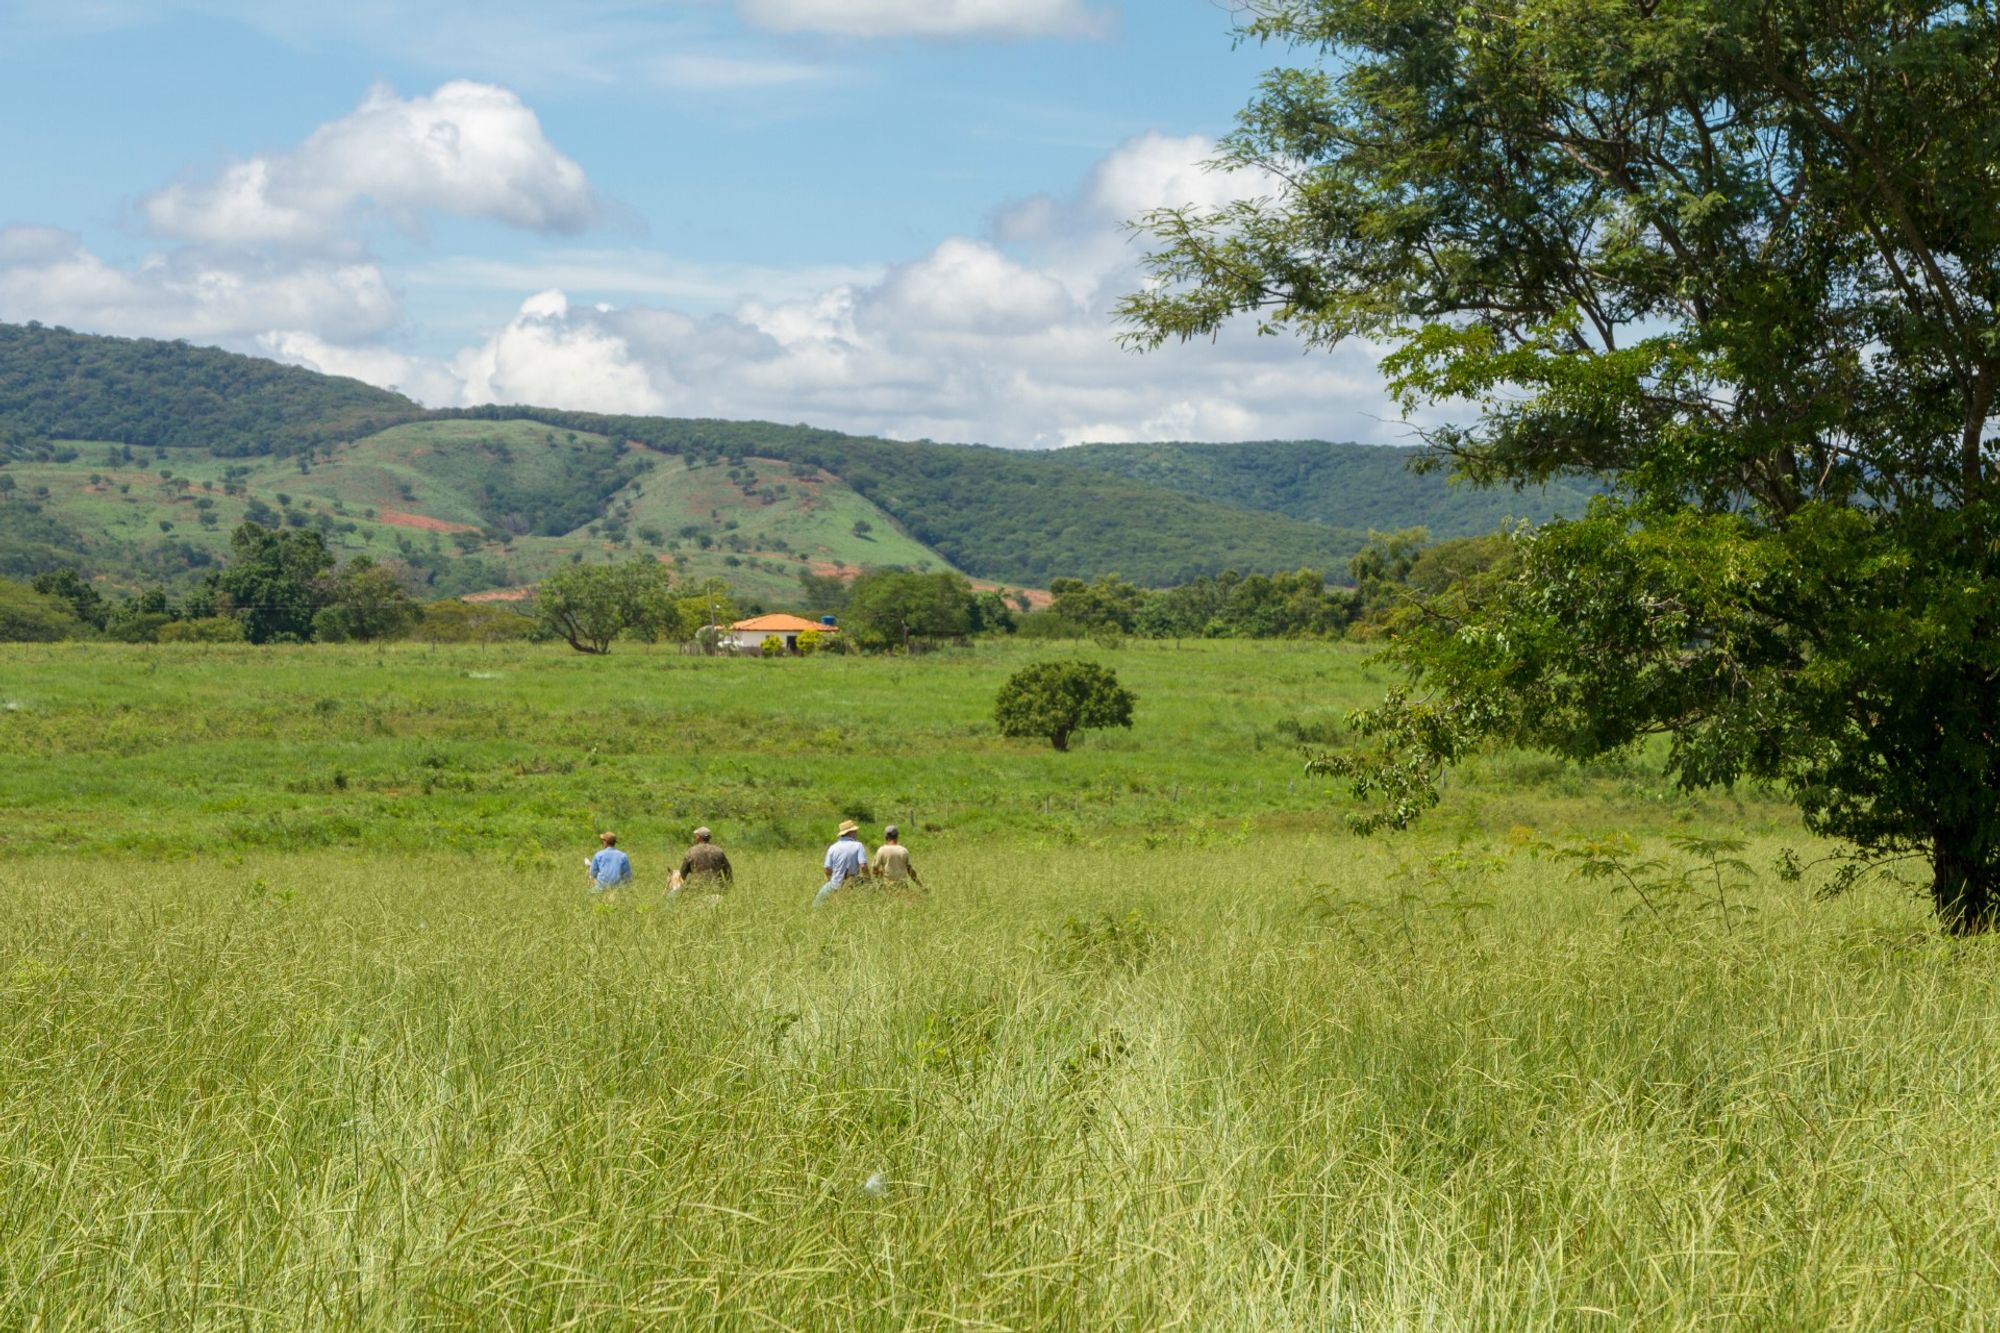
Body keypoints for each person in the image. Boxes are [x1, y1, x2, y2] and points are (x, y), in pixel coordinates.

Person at [813, 819, 868, 909]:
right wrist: (867, 880)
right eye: (855, 831)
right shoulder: (858, 845)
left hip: (835, 884)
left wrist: (831, 881)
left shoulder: (833, 847)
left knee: (817, 903)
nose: (856, 833)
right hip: (852, 883)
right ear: (851, 832)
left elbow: (827, 869)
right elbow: (863, 866)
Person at [670, 825, 733, 895]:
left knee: (671, 896)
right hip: (717, 890)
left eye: (696, 836)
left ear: (699, 837)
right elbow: (728, 871)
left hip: (696, 890)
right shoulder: (719, 851)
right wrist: (728, 887)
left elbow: (683, 873)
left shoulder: (691, 851)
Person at [870, 825, 924, 890]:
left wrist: (880, 874)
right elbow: (910, 871)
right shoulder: (904, 850)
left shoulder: (881, 850)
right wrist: (921, 886)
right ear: (897, 836)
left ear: (886, 837)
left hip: (887, 888)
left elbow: (874, 870)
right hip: (902, 887)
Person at [586, 831, 631, 901]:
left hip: (601, 887)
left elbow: (593, 873)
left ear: (605, 842)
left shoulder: (598, 855)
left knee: (587, 896)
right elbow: (627, 876)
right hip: (618, 888)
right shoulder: (623, 856)